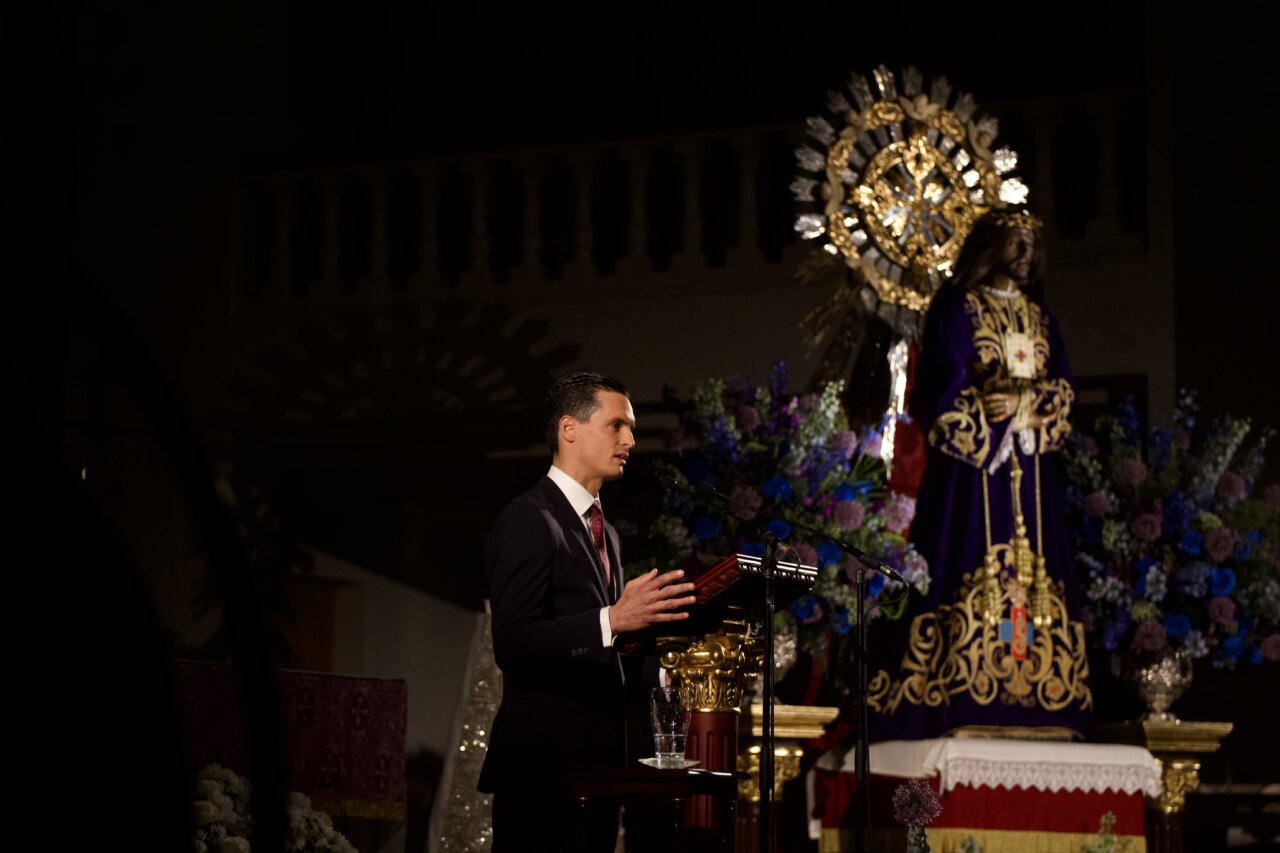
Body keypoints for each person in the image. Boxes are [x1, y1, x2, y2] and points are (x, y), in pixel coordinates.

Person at [866, 208, 1093, 741]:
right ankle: (957, 687)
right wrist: (1004, 411)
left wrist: (1020, 407)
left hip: (1031, 474)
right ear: (991, 246)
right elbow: (942, 390)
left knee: (1039, 579)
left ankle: (1040, 693)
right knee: (963, 565)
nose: (1024, 253)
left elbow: (1063, 388)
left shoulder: (1041, 319)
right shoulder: (958, 306)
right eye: (1015, 241)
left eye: (1031, 244)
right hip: (973, 479)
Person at [478, 370, 697, 853]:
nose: (631, 440)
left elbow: (604, 653)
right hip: (542, 771)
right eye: (617, 425)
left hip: (600, 772)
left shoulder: (606, 533)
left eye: (632, 428)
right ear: (568, 429)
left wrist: (671, 675)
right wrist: (613, 619)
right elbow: (513, 643)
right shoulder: (527, 519)